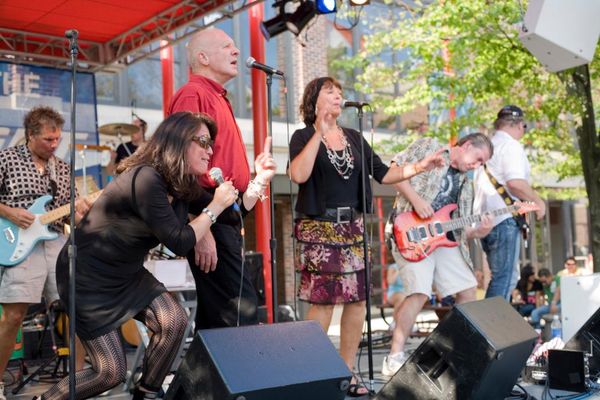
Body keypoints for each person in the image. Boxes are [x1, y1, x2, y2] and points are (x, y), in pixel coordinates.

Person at [39, 112, 238, 400]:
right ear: (179, 141)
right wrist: (214, 208)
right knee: (109, 373)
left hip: (126, 273)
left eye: (211, 145)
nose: (210, 151)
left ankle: (146, 394)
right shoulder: (146, 178)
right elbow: (179, 241)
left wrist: (256, 186)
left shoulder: (182, 186)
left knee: (173, 321)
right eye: (204, 142)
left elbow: (232, 216)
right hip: (87, 274)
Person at [289, 76, 445, 396]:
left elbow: (385, 174)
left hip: (353, 228)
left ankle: (346, 372)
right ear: (314, 100)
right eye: (330, 92)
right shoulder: (302, 136)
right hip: (319, 228)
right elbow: (298, 175)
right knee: (324, 301)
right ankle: (311, 373)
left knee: (357, 300)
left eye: (339, 92)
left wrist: (420, 166)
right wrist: (319, 131)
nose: (338, 96)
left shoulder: (354, 137)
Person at [168, 28, 276, 329]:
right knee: (238, 314)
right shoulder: (193, 94)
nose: (237, 51)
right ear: (203, 57)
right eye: (227, 46)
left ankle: (201, 365)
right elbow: (180, 165)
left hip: (223, 215)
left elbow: (233, 195)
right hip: (207, 216)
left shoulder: (217, 97)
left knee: (222, 319)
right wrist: (200, 230)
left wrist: (260, 179)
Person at [382, 132, 495, 377]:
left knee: (468, 290)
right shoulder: (429, 145)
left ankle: (449, 352)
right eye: (478, 158)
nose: (477, 166)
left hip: (441, 241)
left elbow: (459, 230)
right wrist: (416, 200)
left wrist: (479, 231)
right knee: (419, 292)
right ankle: (394, 356)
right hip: (409, 232)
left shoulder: (466, 183)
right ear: (466, 145)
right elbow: (392, 171)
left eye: (482, 163)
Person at [0, 106, 90, 400]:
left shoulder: (62, 168)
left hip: (55, 241)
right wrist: (9, 212)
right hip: (17, 242)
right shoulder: (7, 159)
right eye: (48, 139)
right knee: (14, 315)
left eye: (57, 139)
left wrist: (83, 212)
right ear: (30, 135)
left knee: (77, 308)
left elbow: (72, 213)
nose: (54, 145)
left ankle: (77, 381)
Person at [474, 105, 546, 301]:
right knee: (504, 279)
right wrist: (538, 202)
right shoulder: (511, 146)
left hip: (485, 220)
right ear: (519, 125)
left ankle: (491, 319)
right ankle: (490, 321)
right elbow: (515, 183)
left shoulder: (488, 146)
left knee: (504, 277)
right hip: (503, 220)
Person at [386, 263, 406, 329]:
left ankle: (408, 323)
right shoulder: (393, 267)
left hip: (406, 294)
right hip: (394, 293)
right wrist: (398, 270)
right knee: (401, 297)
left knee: (410, 298)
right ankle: (395, 322)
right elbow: (390, 281)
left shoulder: (410, 267)